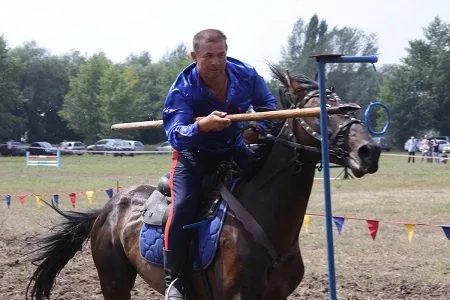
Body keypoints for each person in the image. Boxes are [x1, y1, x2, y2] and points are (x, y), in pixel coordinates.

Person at [161, 28, 277, 299]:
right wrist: (201, 125)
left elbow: (268, 105)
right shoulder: (183, 88)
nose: (215, 62)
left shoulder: (246, 74)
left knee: (265, 183)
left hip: (233, 147)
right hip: (192, 155)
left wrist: (258, 128)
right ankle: (173, 282)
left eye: (221, 55)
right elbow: (175, 135)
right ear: (194, 56)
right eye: (208, 56)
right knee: (184, 205)